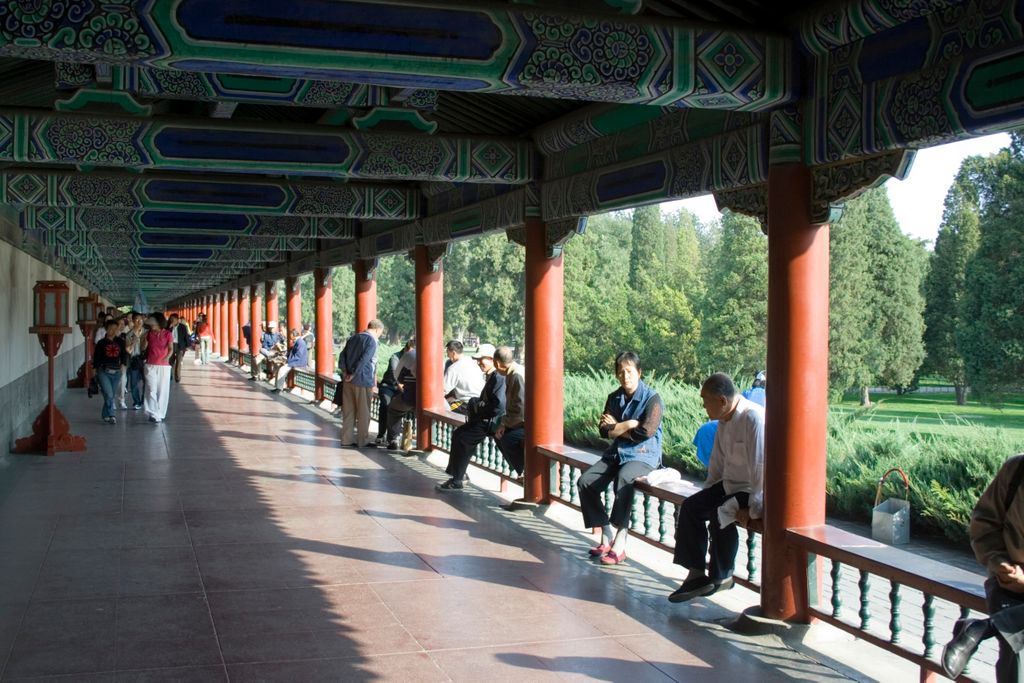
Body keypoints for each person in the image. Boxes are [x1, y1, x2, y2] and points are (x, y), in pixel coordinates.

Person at [668, 372, 764, 602]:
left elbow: (762, 467)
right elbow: (717, 463)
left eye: (705, 401)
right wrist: (707, 493)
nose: (703, 407)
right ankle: (696, 575)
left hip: (750, 490)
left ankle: (723, 576)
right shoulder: (723, 421)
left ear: (722, 400)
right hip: (729, 484)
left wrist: (754, 509)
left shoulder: (753, 418)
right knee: (691, 507)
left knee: (720, 511)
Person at [942, 453, 1024, 681]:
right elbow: (984, 524)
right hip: (1010, 590)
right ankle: (996, 626)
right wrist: (999, 562)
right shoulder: (1017, 470)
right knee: (1016, 665)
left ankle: (986, 628)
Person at [577, 352, 664, 565]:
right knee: (585, 482)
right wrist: (628, 424)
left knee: (624, 478)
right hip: (617, 453)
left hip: (644, 455)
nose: (625, 376)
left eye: (630, 371)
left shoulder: (653, 398)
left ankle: (621, 541)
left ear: (639, 372)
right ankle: (606, 533)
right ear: (616, 375)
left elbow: (645, 432)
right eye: (621, 372)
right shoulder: (614, 397)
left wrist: (617, 427)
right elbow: (603, 430)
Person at [436, 344, 505, 492]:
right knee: (458, 435)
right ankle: (459, 475)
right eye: (478, 359)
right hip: (484, 419)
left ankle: (458, 478)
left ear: (492, 359)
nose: (479, 362)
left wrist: (479, 408)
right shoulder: (491, 376)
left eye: (482, 359)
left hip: (490, 422)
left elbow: (498, 405)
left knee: (463, 439)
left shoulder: (498, 377)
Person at [338, 319, 385, 448]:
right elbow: (365, 360)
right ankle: (362, 440)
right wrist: (353, 373)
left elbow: (342, 356)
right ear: (377, 329)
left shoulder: (353, 338)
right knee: (363, 412)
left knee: (348, 411)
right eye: (380, 333)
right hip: (363, 380)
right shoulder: (371, 341)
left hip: (348, 380)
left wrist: (345, 372)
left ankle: (346, 439)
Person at [493, 346, 526, 477]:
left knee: (507, 438)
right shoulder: (511, 373)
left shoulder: (517, 375)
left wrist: (505, 424)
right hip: (517, 420)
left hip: (525, 423)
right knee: (497, 434)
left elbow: (521, 408)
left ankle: (523, 471)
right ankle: (520, 470)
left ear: (496, 363)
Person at [384, 340, 418, 451]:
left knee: (393, 409)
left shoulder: (409, 355)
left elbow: (397, 376)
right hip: (431, 399)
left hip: (411, 396)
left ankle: (393, 439)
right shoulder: (436, 355)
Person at [140, 313, 174, 423]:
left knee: (162, 391)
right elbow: (143, 348)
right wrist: (143, 339)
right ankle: (153, 412)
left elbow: (170, 349)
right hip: (150, 365)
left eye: (153, 321)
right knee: (151, 389)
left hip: (164, 366)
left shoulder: (168, 334)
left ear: (158, 322)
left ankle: (159, 413)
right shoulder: (148, 333)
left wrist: (167, 358)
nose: (151, 324)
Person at [93, 318, 127, 424]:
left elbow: (124, 355)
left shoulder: (120, 342)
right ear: (106, 329)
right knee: (109, 393)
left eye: (115, 329)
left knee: (110, 394)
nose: (113, 331)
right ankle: (112, 415)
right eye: (110, 329)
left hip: (116, 372)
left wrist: (123, 365)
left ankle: (105, 414)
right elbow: (96, 357)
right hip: (103, 371)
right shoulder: (101, 343)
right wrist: (95, 370)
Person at [376, 340, 411, 446]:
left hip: (403, 387)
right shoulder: (395, 357)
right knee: (385, 405)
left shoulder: (412, 358)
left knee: (397, 409)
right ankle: (381, 434)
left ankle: (393, 437)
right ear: (405, 349)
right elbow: (394, 373)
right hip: (389, 386)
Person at [443, 339, 485, 413]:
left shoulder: (453, 368)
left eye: (448, 353)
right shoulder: (474, 362)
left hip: (465, 405)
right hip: (480, 402)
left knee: (444, 407)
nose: (448, 356)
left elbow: (443, 390)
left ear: (453, 353)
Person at [124, 313, 145, 409]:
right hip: (134, 360)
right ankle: (137, 402)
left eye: (141, 319)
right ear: (133, 321)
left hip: (145, 360)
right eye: (137, 320)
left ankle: (144, 400)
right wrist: (133, 342)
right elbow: (128, 350)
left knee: (147, 382)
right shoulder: (129, 335)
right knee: (133, 383)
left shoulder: (147, 332)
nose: (139, 321)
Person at [168, 313, 190, 382]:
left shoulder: (182, 327)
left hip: (180, 346)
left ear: (177, 320)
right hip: (170, 345)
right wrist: (169, 328)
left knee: (178, 361)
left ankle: (177, 377)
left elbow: (186, 336)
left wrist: (187, 346)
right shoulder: (168, 327)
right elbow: (165, 335)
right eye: (171, 319)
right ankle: (170, 376)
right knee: (170, 362)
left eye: (173, 320)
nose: (172, 321)